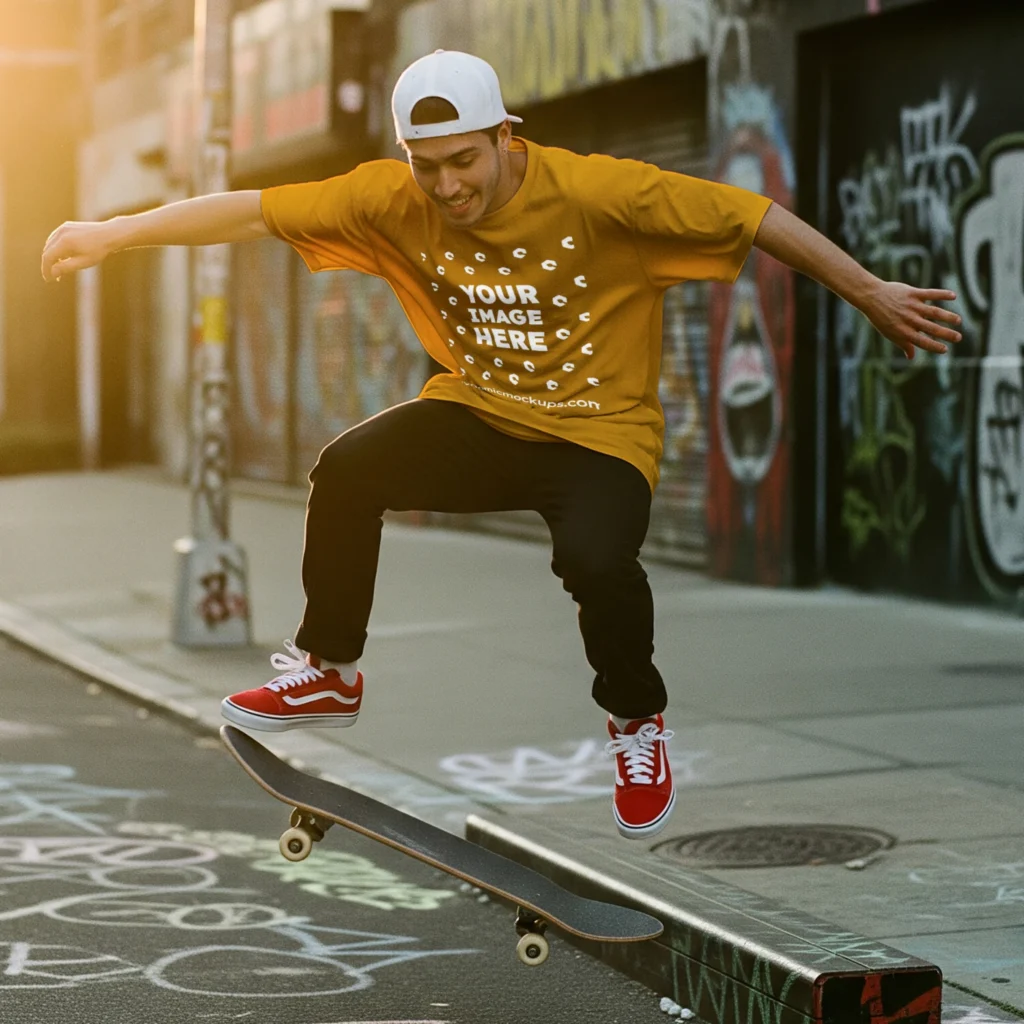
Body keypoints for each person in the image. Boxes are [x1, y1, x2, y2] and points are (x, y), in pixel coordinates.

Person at [41, 50, 961, 840]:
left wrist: (867, 289)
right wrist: (113, 233)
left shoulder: (602, 192)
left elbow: (751, 216)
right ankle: (330, 671)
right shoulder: (384, 198)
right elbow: (248, 211)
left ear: (506, 136)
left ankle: (636, 723)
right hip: (481, 413)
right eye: (426, 167)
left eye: (464, 162)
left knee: (597, 560)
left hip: (600, 436)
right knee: (348, 469)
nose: (448, 188)